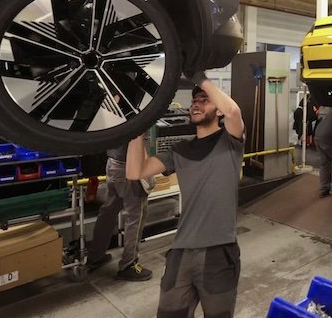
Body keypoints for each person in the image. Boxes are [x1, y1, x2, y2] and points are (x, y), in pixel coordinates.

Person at [126, 73, 245, 318]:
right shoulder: (180, 149)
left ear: (218, 111)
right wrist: (137, 128)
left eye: (204, 100)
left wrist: (197, 77)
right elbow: (135, 171)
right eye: (194, 101)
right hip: (181, 251)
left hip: (219, 252)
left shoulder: (230, 142)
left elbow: (233, 113)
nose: (196, 103)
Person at [86, 138, 154, 281]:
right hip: (129, 166)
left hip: (113, 163)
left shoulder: (116, 114)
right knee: (136, 216)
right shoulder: (136, 116)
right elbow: (137, 137)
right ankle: (129, 265)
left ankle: (95, 257)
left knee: (108, 212)